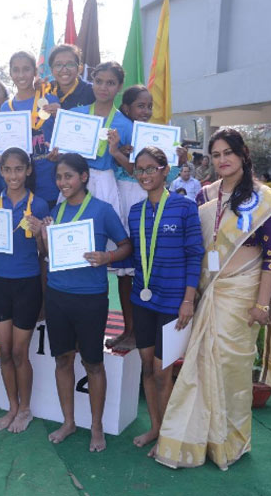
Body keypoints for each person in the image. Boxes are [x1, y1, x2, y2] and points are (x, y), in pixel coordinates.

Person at [155, 128, 271, 470]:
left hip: (242, 296)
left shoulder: (266, 200)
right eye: (216, 154)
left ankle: (228, 443)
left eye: (228, 153)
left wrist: (262, 305)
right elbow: (195, 246)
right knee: (198, 366)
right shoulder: (205, 195)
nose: (222, 160)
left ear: (242, 154)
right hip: (208, 291)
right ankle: (195, 441)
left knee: (230, 370)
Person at [35, 154, 132, 452]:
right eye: (59, 177)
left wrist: (107, 257)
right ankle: (68, 422)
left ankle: (97, 426)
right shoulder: (56, 211)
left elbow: (126, 245)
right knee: (62, 360)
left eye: (68, 176)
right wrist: (42, 235)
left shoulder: (102, 210)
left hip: (91, 297)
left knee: (93, 363)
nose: (62, 182)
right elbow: (45, 254)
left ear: (84, 177)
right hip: (58, 295)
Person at [128, 146, 204, 457]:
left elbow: (195, 254)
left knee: (163, 372)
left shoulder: (185, 207)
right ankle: (155, 428)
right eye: (140, 170)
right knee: (147, 368)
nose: (144, 175)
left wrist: (188, 299)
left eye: (150, 168)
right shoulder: (135, 211)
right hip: (142, 300)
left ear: (165, 170)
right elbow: (135, 256)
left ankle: (169, 437)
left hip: (173, 303)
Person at [0, 147, 49, 433]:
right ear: (1, 172)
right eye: (8, 170)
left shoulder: (39, 204)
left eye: (19, 169)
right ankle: (12, 407)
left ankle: (25, 409)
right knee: (4, 351)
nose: (13, 175)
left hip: (27, 283)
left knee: (19, 352)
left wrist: (40, 233)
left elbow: (44, 253)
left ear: (28, 170)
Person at [106, 85, 153, 351]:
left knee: (143, 271)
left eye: (149, 106)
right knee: (124, 274)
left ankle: (142, 333)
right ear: (126, 108)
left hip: (144, 202)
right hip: (122, 200)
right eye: (140, 106)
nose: (146, 111)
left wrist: (178, 156)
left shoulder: (156, 140)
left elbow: (141, 171)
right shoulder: (121, 135)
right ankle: (128, 330)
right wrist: (119, 150)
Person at [0, 51, 60, 207]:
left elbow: (63, 137)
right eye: (16, 70)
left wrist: (61, 116)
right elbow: (3, 148)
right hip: (19, 181)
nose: (21, 75)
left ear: (35, 71)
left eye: (26, 69)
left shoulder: (49, 100)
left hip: (49, 176)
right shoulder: (6, 107)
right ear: (10, 73)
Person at [71, 62, 131, 216]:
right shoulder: (75, 115)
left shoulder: (126, 125)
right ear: (92, 82)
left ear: (120, 87)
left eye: (110, 83)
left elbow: (133, 169)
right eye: (98, 81)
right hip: (74, 181)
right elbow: (62, 153)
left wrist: (116, 152)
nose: (103, 87)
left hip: (105, 183)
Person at [43, 44, 95, 112]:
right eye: (58, 65)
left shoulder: (92, 92)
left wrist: (61, 113)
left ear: (80, 68)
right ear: (51, 70)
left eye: (70, 64)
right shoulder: (46, 90)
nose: (64, 70)